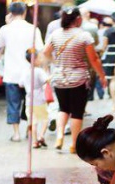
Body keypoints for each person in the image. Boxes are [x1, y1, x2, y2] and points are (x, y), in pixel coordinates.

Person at [43, 7, 107, 153]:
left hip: (59, 78)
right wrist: (102, 76)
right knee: (77, 112)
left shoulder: (55, 34)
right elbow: (94, 60)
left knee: (63, 108)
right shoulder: (84, 36)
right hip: (78, 79)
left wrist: (56, 63)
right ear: (78, 19)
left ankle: (59, 137)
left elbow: (45, 52)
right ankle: (73, 144)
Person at [0, 2, 44, 142]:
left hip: (11, 73)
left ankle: (16, 134)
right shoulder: (33, 29)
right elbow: (39, 49)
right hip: (29, 73)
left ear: (10, 13)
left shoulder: (5, 29)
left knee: (13, 103)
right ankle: (30, 131)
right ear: (24, 12)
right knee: (30, 103)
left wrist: (7, 23)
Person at [20, 50, 50, 149]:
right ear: (35, 60)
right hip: (40, 100)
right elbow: (46, 80)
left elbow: (20, 84)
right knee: (45, 119)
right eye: (40, 58)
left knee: (33, 122)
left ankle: (34, 141)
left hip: (29, 101)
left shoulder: (25, 71)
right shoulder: (39, 71)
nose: (41, 60)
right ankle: (41, 136)